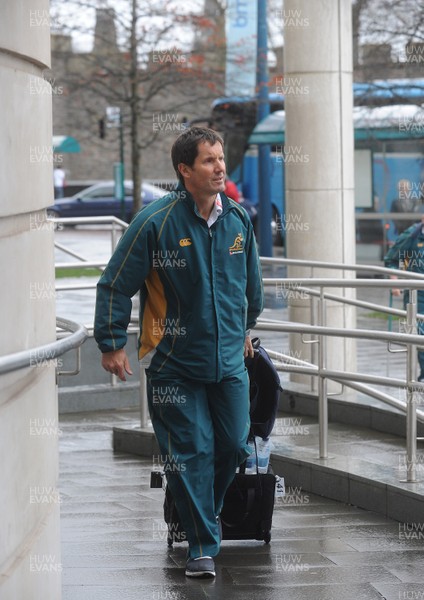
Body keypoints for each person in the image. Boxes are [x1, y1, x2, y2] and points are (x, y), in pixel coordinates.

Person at [94, 127, 264, 578]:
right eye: (209, 161)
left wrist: (246, 327)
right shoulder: (156, 222)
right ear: (184, 170)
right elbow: (114, 283)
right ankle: (201, 546)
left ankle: (193, 509)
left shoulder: (238, 220)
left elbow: (251, 285)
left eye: (221, 158)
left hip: (229, 362)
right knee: (191, 451)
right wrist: (111, 344)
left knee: (232, 444)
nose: (220, 167)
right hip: (174, 364)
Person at [384, 217, 424, 381]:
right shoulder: (412, 235)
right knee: (420, 336)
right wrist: (395, 283)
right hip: (417, 297)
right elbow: (392, 260)